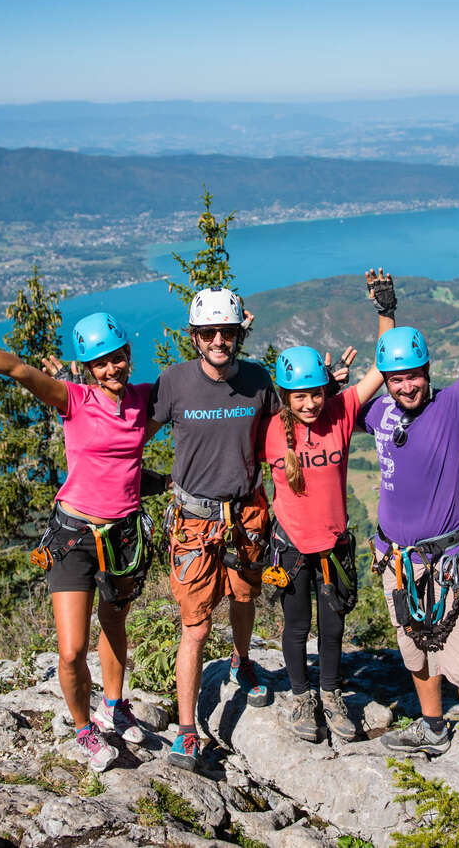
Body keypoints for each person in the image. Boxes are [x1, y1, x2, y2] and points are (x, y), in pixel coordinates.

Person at [358, 250, 459, 783]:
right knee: (414, 652)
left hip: (449, 561)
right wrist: (386, 309)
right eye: (396, 379)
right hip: (395, 561)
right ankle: (432, 726)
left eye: (414, 376)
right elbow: (385, 356)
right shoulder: (377, 408)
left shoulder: (454, 407)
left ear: (429, 374)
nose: (405, 386)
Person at [0, 312, 153, 772]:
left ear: (127, 357)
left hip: (122, 536)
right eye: (100, 364)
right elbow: (18, 369)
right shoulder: (72, 399)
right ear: (86, 369)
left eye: (117, 359)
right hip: (74, 536)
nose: (111, 370)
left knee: (115, 623)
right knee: (70, 649)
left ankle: (114, 706)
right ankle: (84, 729)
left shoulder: (143, 400)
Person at [260, 269, 396, 742]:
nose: (311, 402)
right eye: (301, 395)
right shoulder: (271, 429)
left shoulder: (340, 412)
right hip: (293, 546)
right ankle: (302, 698)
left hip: (334, 543)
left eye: (317, 392)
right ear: (285, 397)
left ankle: (331, 693)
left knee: (333, 628)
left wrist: (385, 312)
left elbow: (381, 369)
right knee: (297, 628)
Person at [147, 287, 278, 771]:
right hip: (195, 522)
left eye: (227, 331)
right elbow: (130, 431)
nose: (219, 340)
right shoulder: (174, 383)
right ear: (195, 336)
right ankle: (186, 730)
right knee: (196, 626)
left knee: (245, 599)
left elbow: (287, 434)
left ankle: (242, 662)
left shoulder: (260, 381)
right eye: (209, 332)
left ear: (240, 332)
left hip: (246, 516)